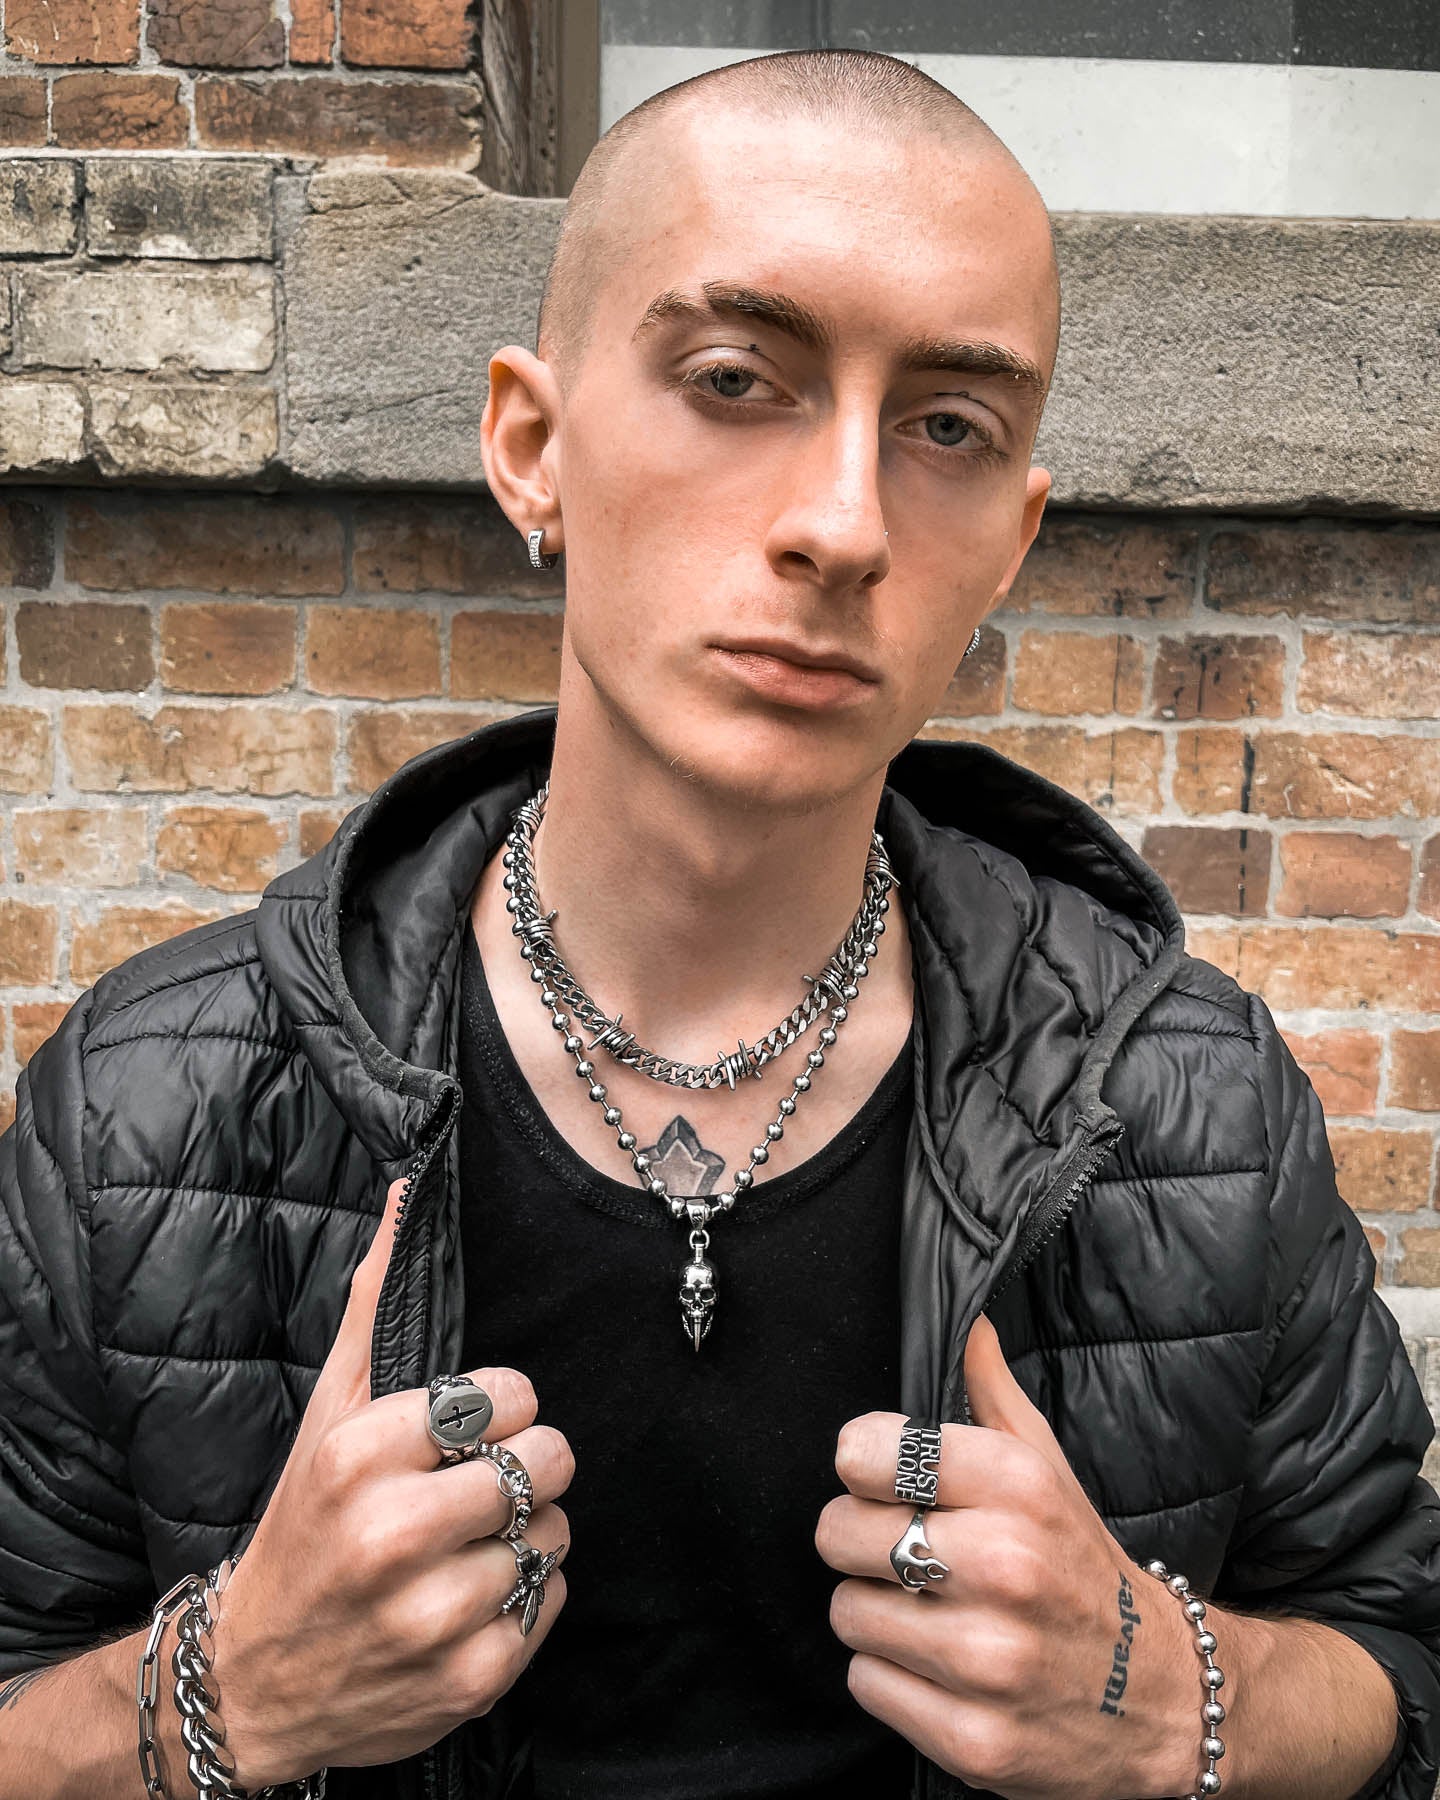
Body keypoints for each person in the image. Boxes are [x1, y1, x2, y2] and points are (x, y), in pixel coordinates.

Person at [0, 44, 1436, 1800]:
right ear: (532, 448)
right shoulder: (148, 1110)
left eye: (949, 427)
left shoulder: (1190, 1107)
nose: (843, 524)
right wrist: (223, 1690)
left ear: (1011, 542)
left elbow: (1397, 1653)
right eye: (737, 379)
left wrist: (1183, 1702)